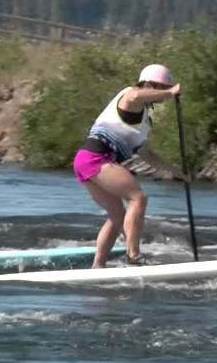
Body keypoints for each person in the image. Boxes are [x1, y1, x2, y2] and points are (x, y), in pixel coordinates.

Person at [73, 63, 184, 268]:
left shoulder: (143, 121)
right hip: (95, 157)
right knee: (138, 197)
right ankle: (133, 255)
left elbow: (145, 153)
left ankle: (98, 266)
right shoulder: (130, 97)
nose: (160, 97)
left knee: (117, 217)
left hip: (87, 161)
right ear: (148, 84)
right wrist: (171, 92)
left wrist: (176, 172)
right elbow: (135, 96)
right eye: (160, 88)